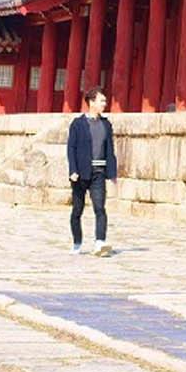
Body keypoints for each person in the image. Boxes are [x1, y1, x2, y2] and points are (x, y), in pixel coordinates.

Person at [66, 88, 117, 257]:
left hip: (99, 172)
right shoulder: (78, 124)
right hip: (80, 173)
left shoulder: (106, 124)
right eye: (102, 101)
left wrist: (112, 172)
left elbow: (110, 148)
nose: (105, 104)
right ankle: (77, 242)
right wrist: (73, 170)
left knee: (100, 208)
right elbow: (71, 148)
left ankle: (99, 243)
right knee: (77, 211)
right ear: (92, 102)